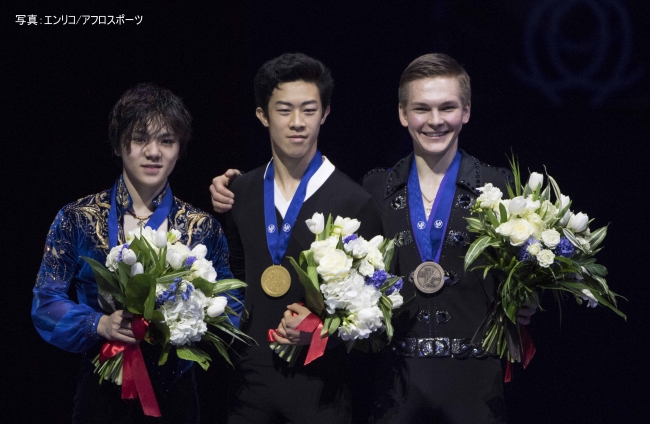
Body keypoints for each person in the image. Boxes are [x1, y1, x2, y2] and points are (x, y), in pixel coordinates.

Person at [211, 53, 536, 423]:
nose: (434, 120)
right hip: (395, 385)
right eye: (421, 108)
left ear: (466, 111)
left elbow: (524, 271)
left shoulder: (500, 187)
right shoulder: (375, 188)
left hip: (477, 383)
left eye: (447, 107)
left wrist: (527, 300)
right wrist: (232, 186)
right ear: (402, 114)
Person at [32, 83, 242, 423]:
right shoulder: (78, 218)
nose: (153, 152)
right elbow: (45, 301)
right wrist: (98, 323)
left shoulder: (201, 227)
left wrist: (188, 321)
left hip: (176, 394)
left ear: (179, 149)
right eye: (140, 138)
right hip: (100, 393)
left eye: (167, 141)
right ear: (118, 145)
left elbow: (231, 307)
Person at [218, 53, 382, 423]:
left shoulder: (354, 201)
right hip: (249, 385)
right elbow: (233, 275)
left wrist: (324, 332)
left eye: (308, 110)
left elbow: (374, 306)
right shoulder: (239, 192)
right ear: (262, 115)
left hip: (321, 388)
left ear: (324, 113)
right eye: (284, 110)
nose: (297, 123)